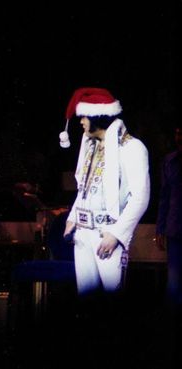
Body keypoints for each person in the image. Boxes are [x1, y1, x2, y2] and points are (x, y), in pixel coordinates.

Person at [59, 87, 150, 296]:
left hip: (106, 233)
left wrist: (116, 235)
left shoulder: (132, 148)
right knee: (86, 300)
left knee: (113, 302)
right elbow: (84, 188)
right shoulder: (90, 146)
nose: (80, 121)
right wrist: (73, 218)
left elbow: (140, 198)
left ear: (98, 116)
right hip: (83, 234)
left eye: (84, 116)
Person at [156, 125, 182, 306]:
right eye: (177, 133)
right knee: (173, 282)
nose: (179, 137)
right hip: (175, 229)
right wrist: (160, 228)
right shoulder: (169, 161)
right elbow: (164, 196)